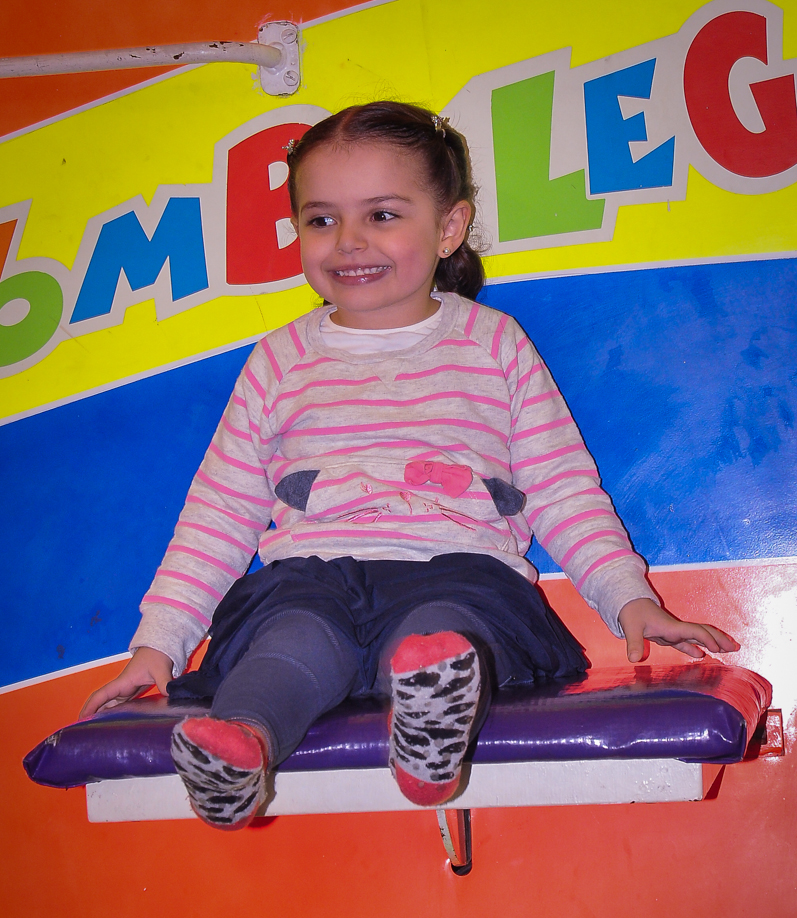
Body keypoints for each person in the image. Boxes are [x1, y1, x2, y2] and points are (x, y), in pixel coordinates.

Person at [80, 101, 739, 830]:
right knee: (290, 641)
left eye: (383, 215)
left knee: (439, 635)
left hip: (458, 570)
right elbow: (219, 511)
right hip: (310, 576)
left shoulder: (492, 344)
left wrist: (627, 597)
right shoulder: (279, 360)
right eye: (321, 219)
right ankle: (240, 745)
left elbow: (562, 489)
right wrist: (158, 644)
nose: (348, 241)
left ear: (448, 227)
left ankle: (425, 732)